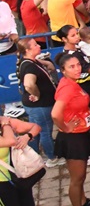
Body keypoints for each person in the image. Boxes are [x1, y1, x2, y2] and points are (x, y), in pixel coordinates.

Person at [51, 53, 90, 206]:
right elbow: (55, 114)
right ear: (63, 70)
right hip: (74, 139)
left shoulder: (73, 83)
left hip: (82, 135)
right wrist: (65, 127)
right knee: (76, 178)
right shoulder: (67, 88)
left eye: (77, 65)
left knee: (81, 176)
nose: (77, 68)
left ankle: (83, 201)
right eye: (71, 67)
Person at [16, 38, 64, 167]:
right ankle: (52, 157)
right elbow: (29, 84)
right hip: (40, 106)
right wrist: (36, 95)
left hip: (38, 106)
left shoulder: (31, 61)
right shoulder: (29, 66)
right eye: (35, 45)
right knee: (45, 131)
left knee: (34, 130)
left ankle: (33, 154)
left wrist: (41, 61)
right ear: (28, 50)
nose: (38, 46)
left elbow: (50, 67)